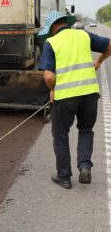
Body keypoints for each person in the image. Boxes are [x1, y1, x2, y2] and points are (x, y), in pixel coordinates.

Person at [38, 10, 111, 189]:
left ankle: (64, 176)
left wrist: (53, 89)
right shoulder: (83, 35)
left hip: (65, 98)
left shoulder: (51, 42)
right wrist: (99, 61)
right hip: (89, 93)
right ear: (66, 22)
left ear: (54, 26)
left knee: (60, 135)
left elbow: (48, 77)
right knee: (86, 130)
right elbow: (109, 46)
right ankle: (84, 166)